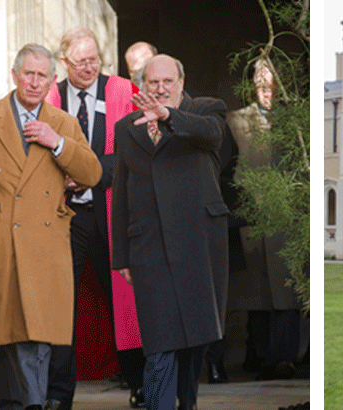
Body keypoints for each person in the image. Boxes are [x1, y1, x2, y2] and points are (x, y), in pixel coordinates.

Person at [0, 43, 101, 410]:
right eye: (27, 74)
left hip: (47, 245)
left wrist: (57, 143)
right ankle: (26, 404)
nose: (33, 82)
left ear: (52, 80)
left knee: (38, 338)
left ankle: (29, 403)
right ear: (14, 76)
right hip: (3, 243)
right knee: (9, 338)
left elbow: (91, 173)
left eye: (41, 75)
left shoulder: (63, 123)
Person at [110, 54, 229, 410]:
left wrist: (168, 116)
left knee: (196, 337)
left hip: (198, 240)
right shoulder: (127, 127)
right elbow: (121, 190)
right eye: (153, 83)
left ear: (181, 81)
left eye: (167, 82)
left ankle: (186, 402)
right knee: (160, 339)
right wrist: (121, 255)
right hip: (149, 244)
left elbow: (212, 136)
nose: (160, 89)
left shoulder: (208, 110)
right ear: (142, 85)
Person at [43, 27, 146, 409]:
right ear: (64, 62)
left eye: (94, 60)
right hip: (66, 215)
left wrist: (89, 171)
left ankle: (141, 385)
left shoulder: (121, 91)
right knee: (61, 305)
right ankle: (58, 395)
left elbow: (133, 152)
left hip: (110, 211)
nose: (89, 68)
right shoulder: (50, 97)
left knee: (125, 298)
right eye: (80, 61)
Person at [226, 59, 303, 382]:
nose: (266, 91)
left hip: (288, 216)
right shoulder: (235, 121)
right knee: (257, 292)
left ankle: (284, 359)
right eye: (259, 85)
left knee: (287, 291)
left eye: (270, 84)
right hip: (252, 217)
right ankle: (257, 356)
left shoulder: (297, 122)